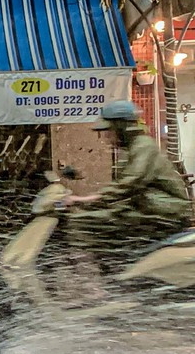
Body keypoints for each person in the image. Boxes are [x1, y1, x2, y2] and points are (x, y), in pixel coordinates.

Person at [63, 100, 191, 248]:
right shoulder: (133, 148)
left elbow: (128, 184)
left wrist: (84, 200)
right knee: (93, 216)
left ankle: (116, 267)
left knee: (87, 221)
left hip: (165, 212)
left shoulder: (144, 146)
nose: (107, 138)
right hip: (151, 207)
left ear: (122, 128)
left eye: (109, 131)